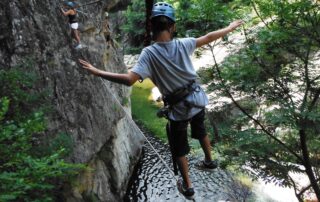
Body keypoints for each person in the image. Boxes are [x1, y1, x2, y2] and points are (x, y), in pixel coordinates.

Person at [79, 2, 242, 199]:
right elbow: (208, 37)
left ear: (151, 27)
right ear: (172, 27)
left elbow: (130, 80)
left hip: (179, 109)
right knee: (200, 129)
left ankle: (188, 186)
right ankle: (209, 160)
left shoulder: (149, 54)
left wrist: (98, 72)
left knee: (179, 148)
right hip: (198, 100)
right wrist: (230, 27)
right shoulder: (183, 43)